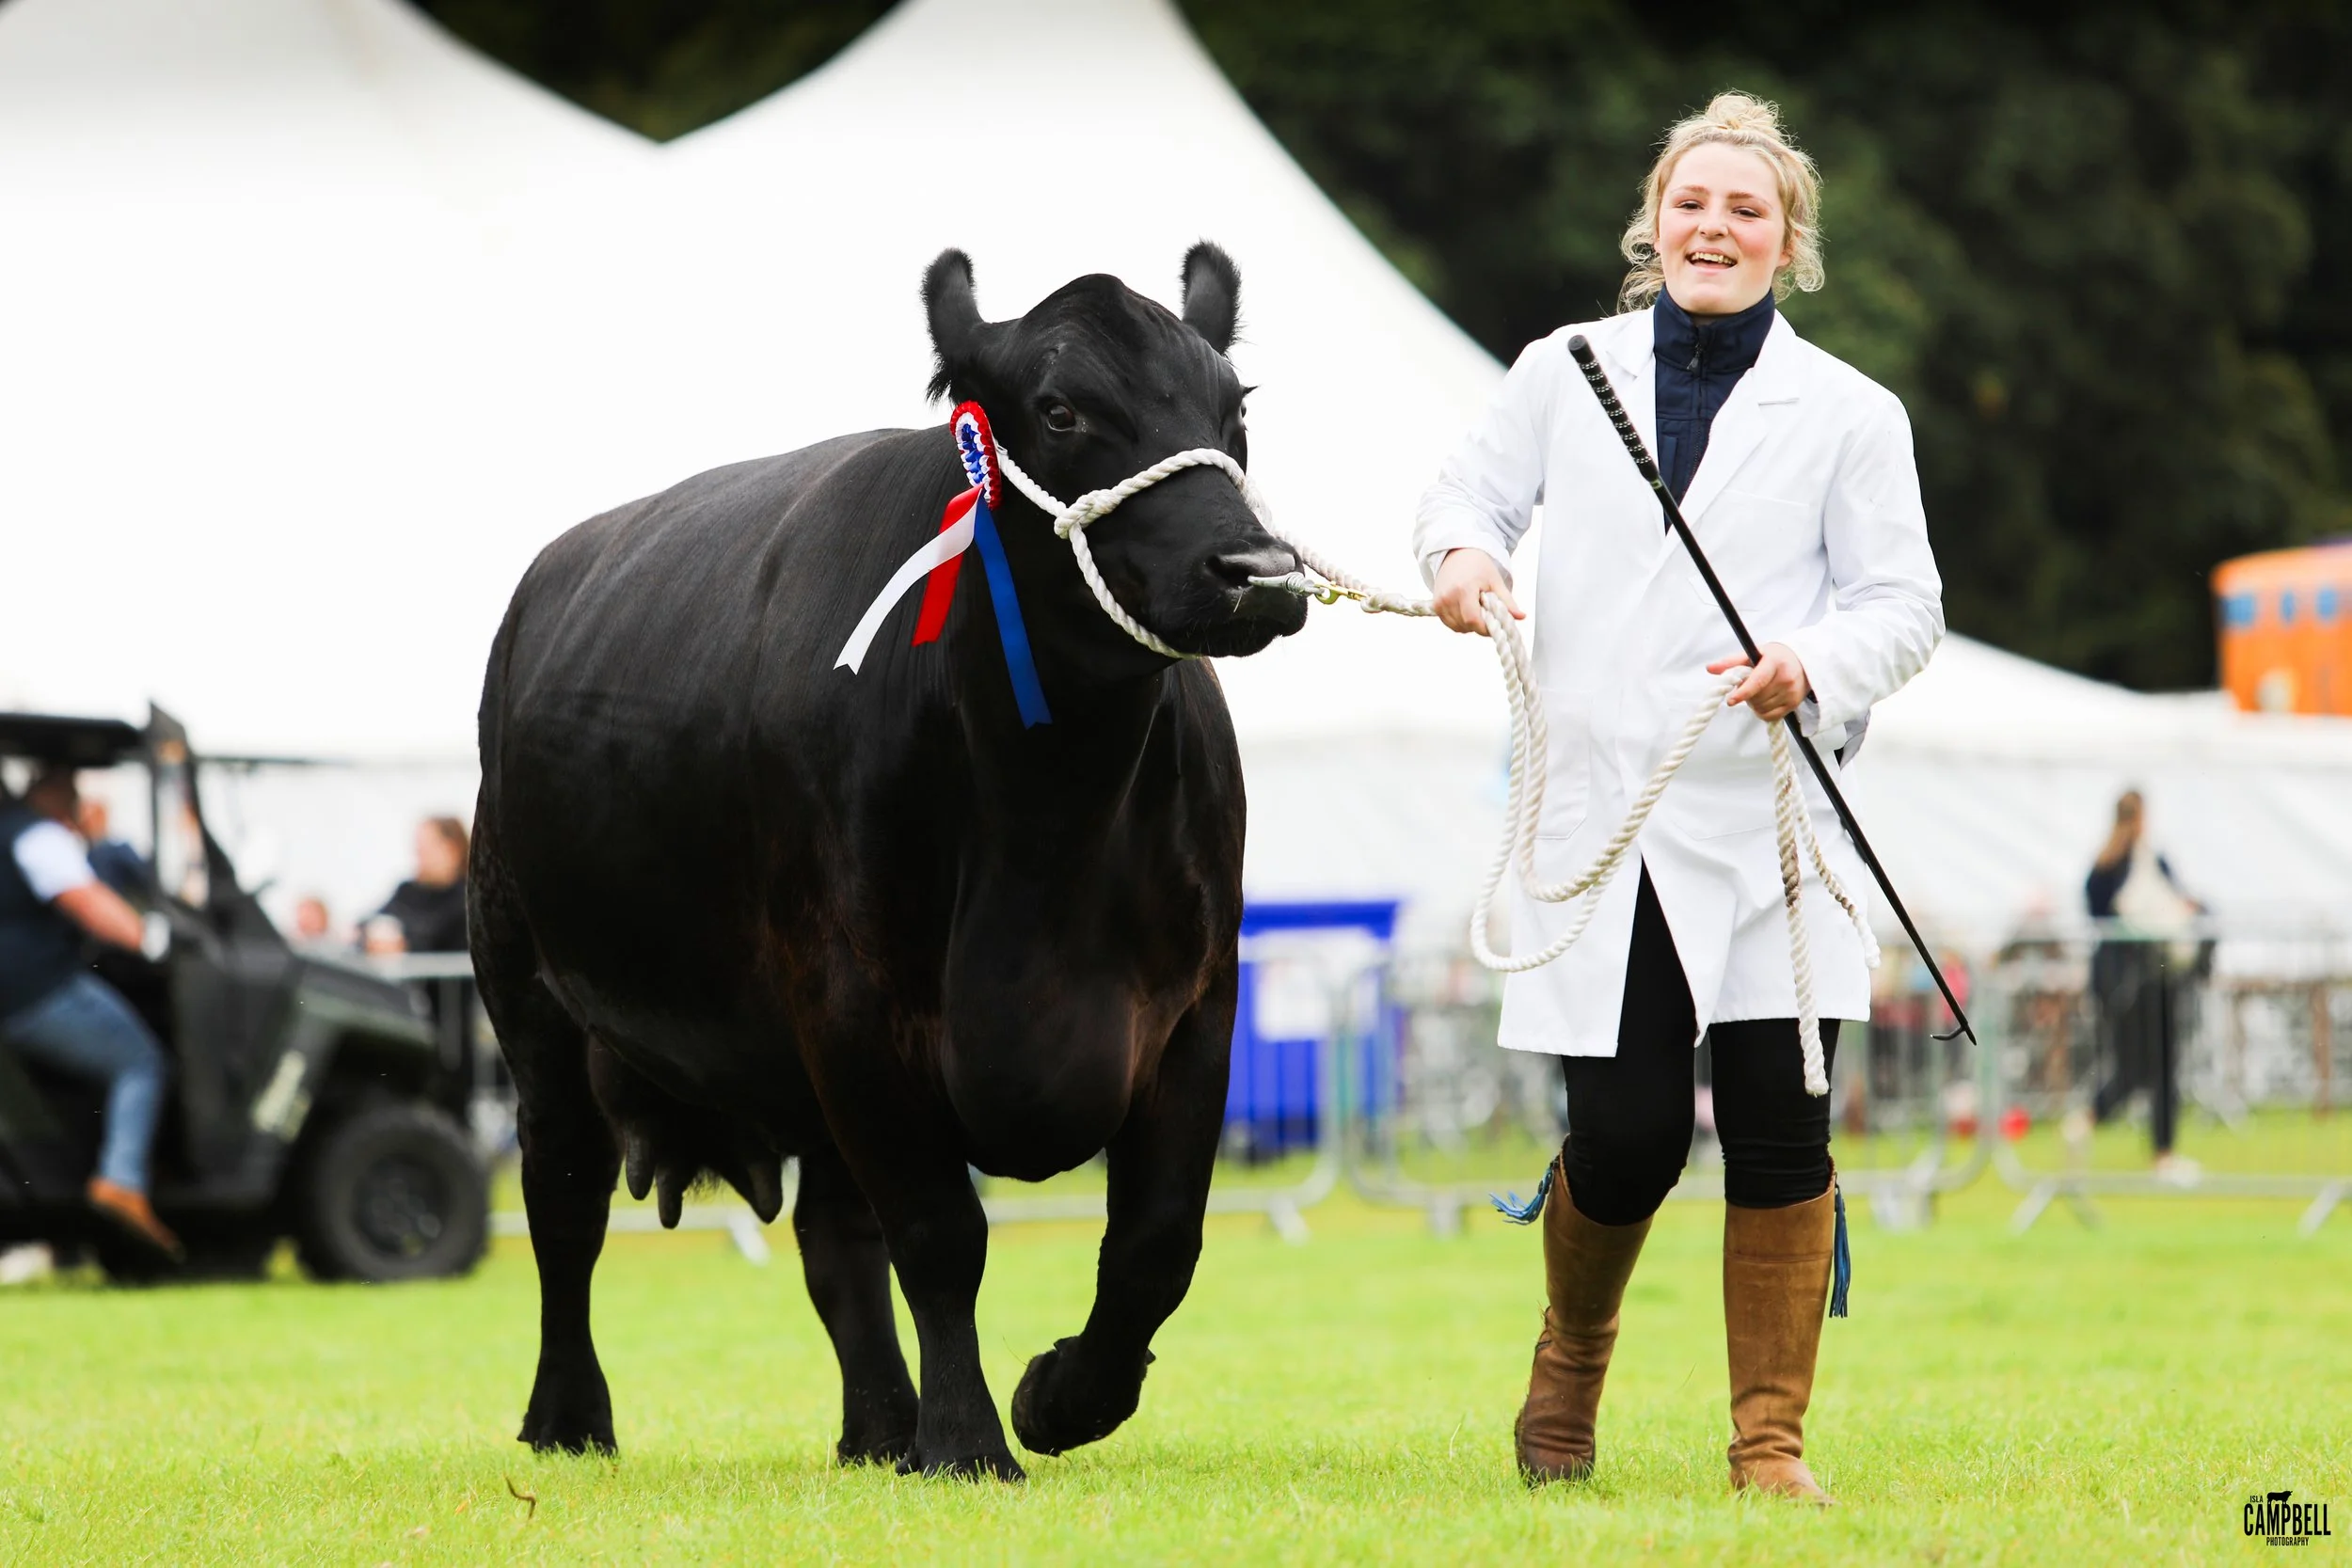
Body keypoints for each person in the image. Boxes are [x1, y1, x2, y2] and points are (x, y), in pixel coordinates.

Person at [1415, 93, 1943, 1502]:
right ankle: (1569, 1367)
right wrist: (1464, 561)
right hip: (1612, 822)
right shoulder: (1561, 367)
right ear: (1655, 222)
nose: (1716, 225)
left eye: (1747, 209)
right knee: (1633, 1134)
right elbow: (1465, 495)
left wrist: (1811, 660)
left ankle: (1769, 1444)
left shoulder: (1852, 413)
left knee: (1783, 1127)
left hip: (1780, 819)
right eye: (1693, 202)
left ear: (1788, 243)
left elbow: (1905, 605)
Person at [0, 768, 182, 1259]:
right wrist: (151, 938)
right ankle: (122, 1180)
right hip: (34, 990)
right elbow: (88, 902)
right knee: (140, 1061)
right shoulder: (37, 835)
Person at [2078, 790, 2203, 1180]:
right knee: (2157, 1067)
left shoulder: (2104, 864)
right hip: (2148, 979)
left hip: (2120, 983)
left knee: (2135, 1067)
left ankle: (2084, 1124)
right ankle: (2158, 1153)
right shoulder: (2137, 862)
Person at [362, 816, 469, 955]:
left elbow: (445, 945)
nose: (420, 856)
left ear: (452, 849)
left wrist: (404, 944)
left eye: (428, 848)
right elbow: (373, 919)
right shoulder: (407, 891)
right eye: (419, 848)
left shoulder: (467, 901)